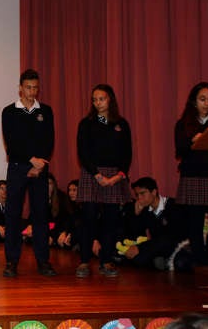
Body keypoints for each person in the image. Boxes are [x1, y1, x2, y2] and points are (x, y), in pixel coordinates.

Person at [1, 68, 56, 277]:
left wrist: (38, 164)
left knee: (40, 214)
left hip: (40, 168)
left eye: (35, 87)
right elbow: (11, 141)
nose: (32, 91)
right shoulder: (9, 111)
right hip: (17, 168)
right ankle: (11, 261)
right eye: (28, 87)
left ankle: (43, 261)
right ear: (20, 88)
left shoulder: (46, 111)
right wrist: (29, 160)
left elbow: (49, 140)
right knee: (13, 215)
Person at [74, 84, 133, 277]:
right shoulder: (88, 123)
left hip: (115, 177)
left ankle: (106, 261)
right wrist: (97, 175)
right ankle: (84, 261)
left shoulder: (121, 124)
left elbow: (127, 154)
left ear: (110, 100)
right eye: (95, 99)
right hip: (93, 174)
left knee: (111, 220)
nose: (98, 103)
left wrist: (118, 176)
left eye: (102, 98)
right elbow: (83, 153)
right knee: (88, 218)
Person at [174, 82, 208, 266]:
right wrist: (193, 141)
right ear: (194, 101)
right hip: (193, 177)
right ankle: (199, 262)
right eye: (202, 99)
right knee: (195, 225)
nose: (206, 103)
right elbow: (180, 150)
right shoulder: (184, 124)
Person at [121, 177, 192, 271]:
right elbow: (136, 233)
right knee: (133, 258)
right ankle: (159, 261)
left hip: (179, 246)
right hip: (157, 247)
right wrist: (136, 215)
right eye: (137, 195)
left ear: (154, 192)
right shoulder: (145, 209)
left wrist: (140, 248)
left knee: (180, 262)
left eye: (142, 193)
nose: (139, 198)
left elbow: (171, 236)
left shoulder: (173, 206)